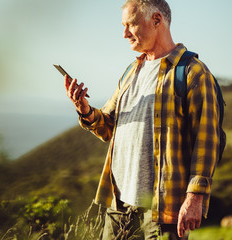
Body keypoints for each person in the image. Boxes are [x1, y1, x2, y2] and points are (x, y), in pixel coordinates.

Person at [64, 0, 221, 239]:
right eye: (123, 26)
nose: (124, 33)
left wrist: (195, 198)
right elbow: (108, 127)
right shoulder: (130, 71)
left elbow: (207, 140)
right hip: (118, 207)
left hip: (162, 213)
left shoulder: (192, 72)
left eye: (131, 25)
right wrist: (85, 110)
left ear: (156, 20)